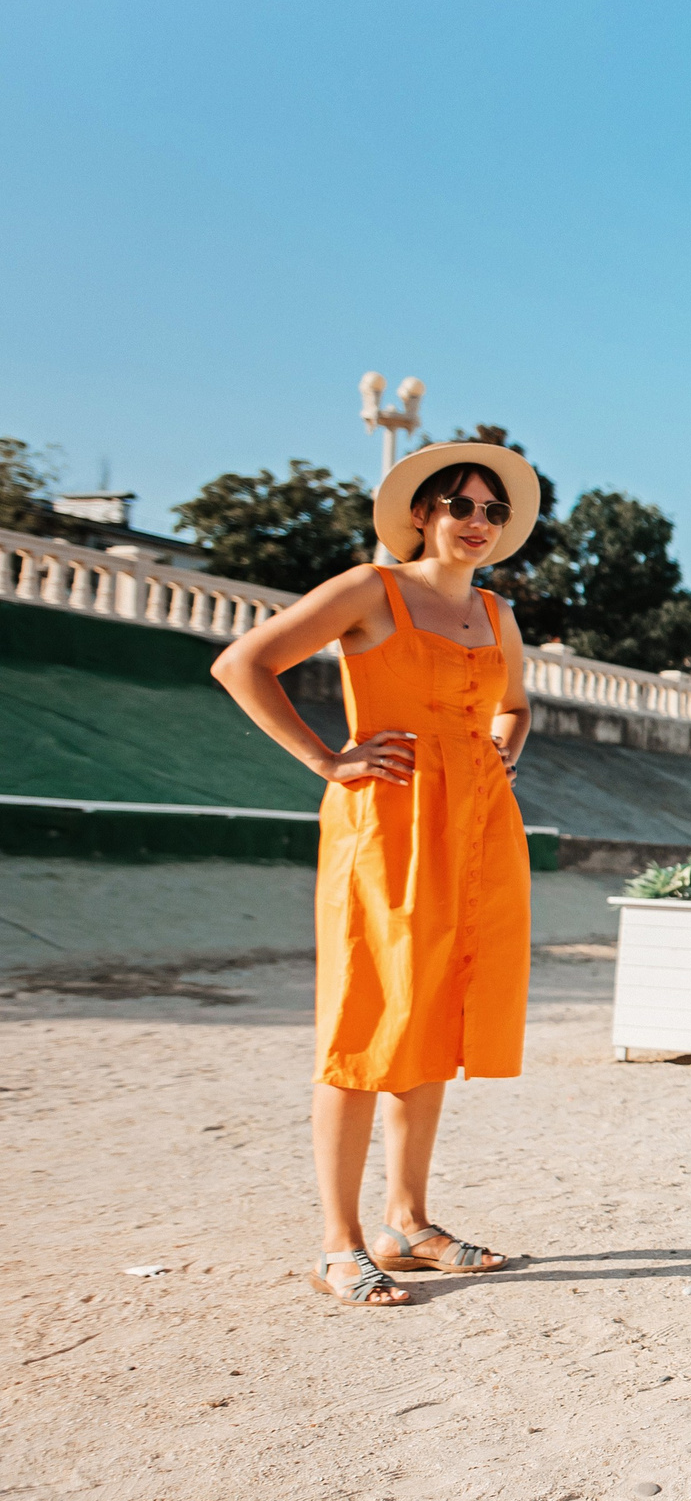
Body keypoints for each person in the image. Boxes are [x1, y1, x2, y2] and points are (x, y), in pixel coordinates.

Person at [211, 443, 540, 1307]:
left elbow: (516, 703)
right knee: (365, 1019)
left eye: (492, 513)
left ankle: (407, 1221)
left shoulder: (497, 611)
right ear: (422, 513)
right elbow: (242, 664)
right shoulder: (373, 589)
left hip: (476, 829)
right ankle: (339, 1243)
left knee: (433, 1015)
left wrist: (502, 750)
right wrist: (327, 760)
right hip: (388, 824)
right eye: (460, 506)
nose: (476, 523)